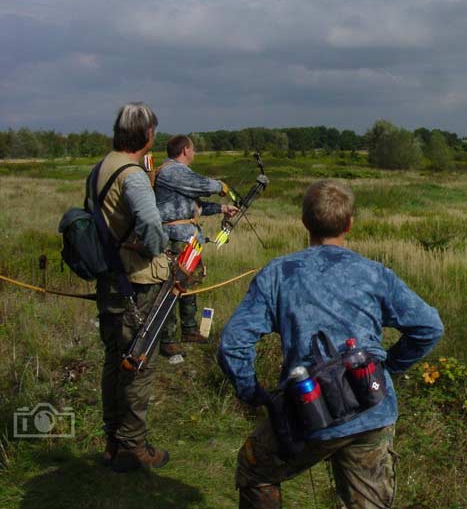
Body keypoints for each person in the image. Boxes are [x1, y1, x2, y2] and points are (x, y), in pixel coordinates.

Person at [218, 179, 444, 508]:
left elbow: (233, 342)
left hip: (306, 409)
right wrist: (389, 367)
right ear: (349, 223)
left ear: (304, 221)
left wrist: (252, 392)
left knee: (256, 468)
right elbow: (429, 326)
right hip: (371, 405)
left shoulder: (279, 274)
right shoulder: (374, 273)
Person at [94, 102, 171, 472]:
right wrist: (152, 247)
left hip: (110, 278)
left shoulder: (102, 167)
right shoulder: (134, 175)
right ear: (147, 134)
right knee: (137, 364)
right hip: (137, 285)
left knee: (114, 361)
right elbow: (153, 231)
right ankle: (132, 447)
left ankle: (113, 439)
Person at [154, 134, 238, 359]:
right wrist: (219, 185)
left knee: (189, 284)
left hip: (189, 238)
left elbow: (194, 207)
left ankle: (189, 329)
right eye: (193, 149)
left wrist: (222, 209)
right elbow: (201, 185)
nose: (195, 153)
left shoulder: (180, 174)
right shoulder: (173, 171)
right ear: (184, 151)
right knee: (172, 287)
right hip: (174, 238)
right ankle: (168, 340)